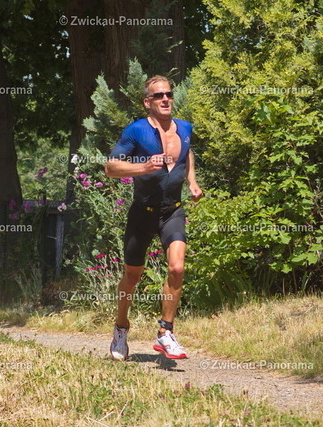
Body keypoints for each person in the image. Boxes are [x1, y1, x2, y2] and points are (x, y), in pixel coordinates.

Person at [104, 75, 204, 361]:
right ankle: (121, 327)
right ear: (147, 102)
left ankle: (165, 332)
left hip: (172, 210)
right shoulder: (136, 131)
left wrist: (192, 182)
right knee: (132, 277)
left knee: (177, 268)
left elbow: (187, 154)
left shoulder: (185, 128)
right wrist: (144, 167)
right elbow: (111, 167)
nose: (165, 99)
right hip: (142, 214)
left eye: (169, 94)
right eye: (159, 95)